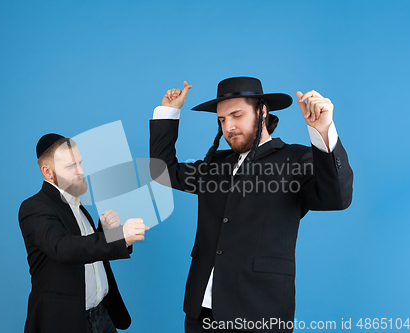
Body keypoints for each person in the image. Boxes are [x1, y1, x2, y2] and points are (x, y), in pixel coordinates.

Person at [149, 77, 353, 333]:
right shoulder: (216, 164)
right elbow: (162, 171)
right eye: (222, 120)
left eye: (236, 115)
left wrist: (322, 132)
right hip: (201, 313)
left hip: (260, 314)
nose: (229, 127)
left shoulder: (295, 158)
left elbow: (337, 198)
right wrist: (169, 112)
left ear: (262, 111)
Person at [19, 133, 149, 333]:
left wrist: (105, 231)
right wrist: (119, 237)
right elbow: (63, 248)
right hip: (66, 322)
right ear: (48, 172)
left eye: (80, 163)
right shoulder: (34, 208)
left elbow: (86, 251)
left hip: (103, 316)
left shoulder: (76, 205)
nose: (80, 171)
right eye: (71, 166)